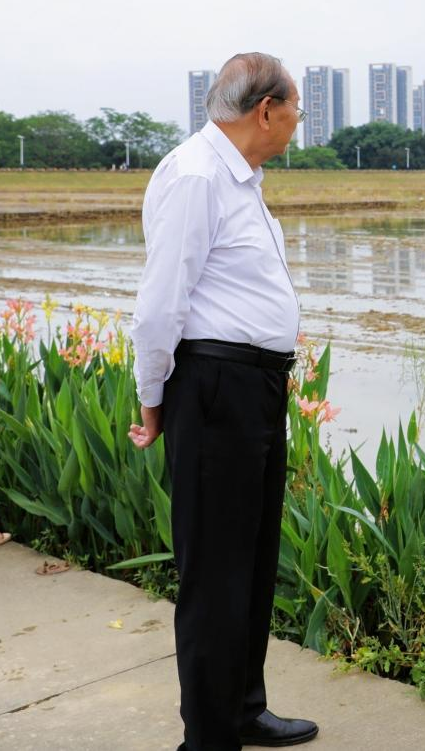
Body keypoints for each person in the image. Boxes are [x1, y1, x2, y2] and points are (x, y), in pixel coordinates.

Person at [128, 52, 318, 750]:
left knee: (254, 559)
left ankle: (242, 709)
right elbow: (160, 305)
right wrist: (153, 398)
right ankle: (208, 738)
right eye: (296, 111)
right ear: (266, 110)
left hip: (253, 386)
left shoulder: (240, 179)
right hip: (214, 387)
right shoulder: (197, 176)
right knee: (215, 571)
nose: (297, 124)